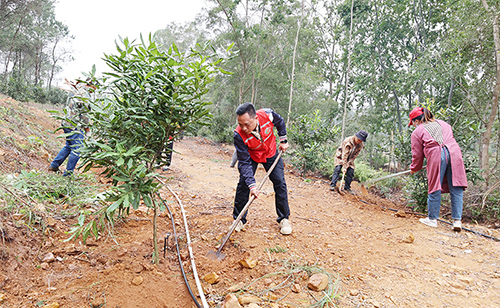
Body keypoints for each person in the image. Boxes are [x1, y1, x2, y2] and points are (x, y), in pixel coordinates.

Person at [233, 102, 292, 235]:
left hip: (270, 152)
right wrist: (252, 185)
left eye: (246, 124)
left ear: (256, 118)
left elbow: (280, 122)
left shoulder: (268, 115)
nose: (243, 127)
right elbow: (244, 162)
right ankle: (239, 219)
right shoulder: (238, 134)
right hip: (251, 156)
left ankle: (284, 218)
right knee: (243, 184)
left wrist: (283, 140)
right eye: (240, 124)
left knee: (280, 183)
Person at [408, 107, 468, 231]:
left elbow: (417, 155)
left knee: (435, 184)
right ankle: (457, 221)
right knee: (456, 186)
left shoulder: (417, 131)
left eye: (412, 123)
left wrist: (414, 168)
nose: (413, 126)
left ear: (416, 121)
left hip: (437, 155)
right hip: (455, 153)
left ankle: (432, 219)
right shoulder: (444, 123)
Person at [48, 79, 92, 177]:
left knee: (69, 146)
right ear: (92, 86)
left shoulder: (77, 90)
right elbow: (85, 114)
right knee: (77, 149)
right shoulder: (85, 95)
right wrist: (87, 129)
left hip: (66, 123)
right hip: (75, 125)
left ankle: (54, 165)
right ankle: (68, 174)